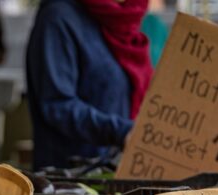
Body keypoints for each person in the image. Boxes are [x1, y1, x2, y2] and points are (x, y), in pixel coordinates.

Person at [26, 0, 153, 170]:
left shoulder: (119, 24)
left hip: (113, 175)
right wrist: (120, 131)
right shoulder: (57, 18)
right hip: (70, 182)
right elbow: (57, 105)